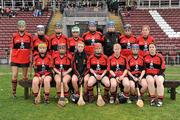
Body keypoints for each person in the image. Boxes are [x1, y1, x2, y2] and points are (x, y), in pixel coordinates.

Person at [9, 20, 32, 98]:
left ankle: (25, 93)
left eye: (23, 26)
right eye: (20, 26)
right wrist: (10, 58)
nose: (21, 27)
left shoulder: (29, 36)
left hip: (25, 59)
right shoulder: (14, 36)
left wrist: (31, 58)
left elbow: (31, 48)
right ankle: (14, 92)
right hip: (15, 58)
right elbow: (11, 48)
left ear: (25, 27)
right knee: (14, 75)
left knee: (25, 77)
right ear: (18, 27)